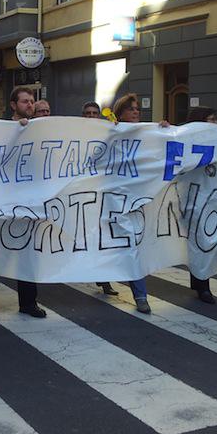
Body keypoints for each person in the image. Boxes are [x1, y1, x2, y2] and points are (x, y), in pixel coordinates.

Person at [0, 87, 47, 319]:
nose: (30, 105)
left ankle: (28, 302)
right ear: (13, 105)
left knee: (28, 252)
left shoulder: (40, 130)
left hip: (31, 200)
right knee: (4, 249)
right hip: (7, 201)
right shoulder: (3, 129)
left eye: (32, 101)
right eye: (25, 101)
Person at [112, 93, 152, 313]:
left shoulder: (147, 133)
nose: (136, 112)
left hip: (136, 201)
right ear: (120, 113)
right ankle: (137, 294)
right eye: (131, 109)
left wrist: (165, 130)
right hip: (113, 201)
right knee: (122, 245)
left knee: (132, 246)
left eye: (138, 109)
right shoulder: (110, 134)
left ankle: (139, 294)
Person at [182, 106, 217, 304]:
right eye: (211, 119)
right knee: (200, 242)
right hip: (194, 199)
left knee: (210, 241)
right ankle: (203, 285)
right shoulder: (186, 141)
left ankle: (199, 281)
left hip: (212, 198)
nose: (216, 123)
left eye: (215, 119)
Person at [82, 101, 119, 296]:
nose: (91, 116)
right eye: (87, 113)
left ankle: (104, 279)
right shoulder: (74, 134)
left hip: (101, 194)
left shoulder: (108, 133)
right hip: (79, 195)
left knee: (102, 237)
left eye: (94, 113)